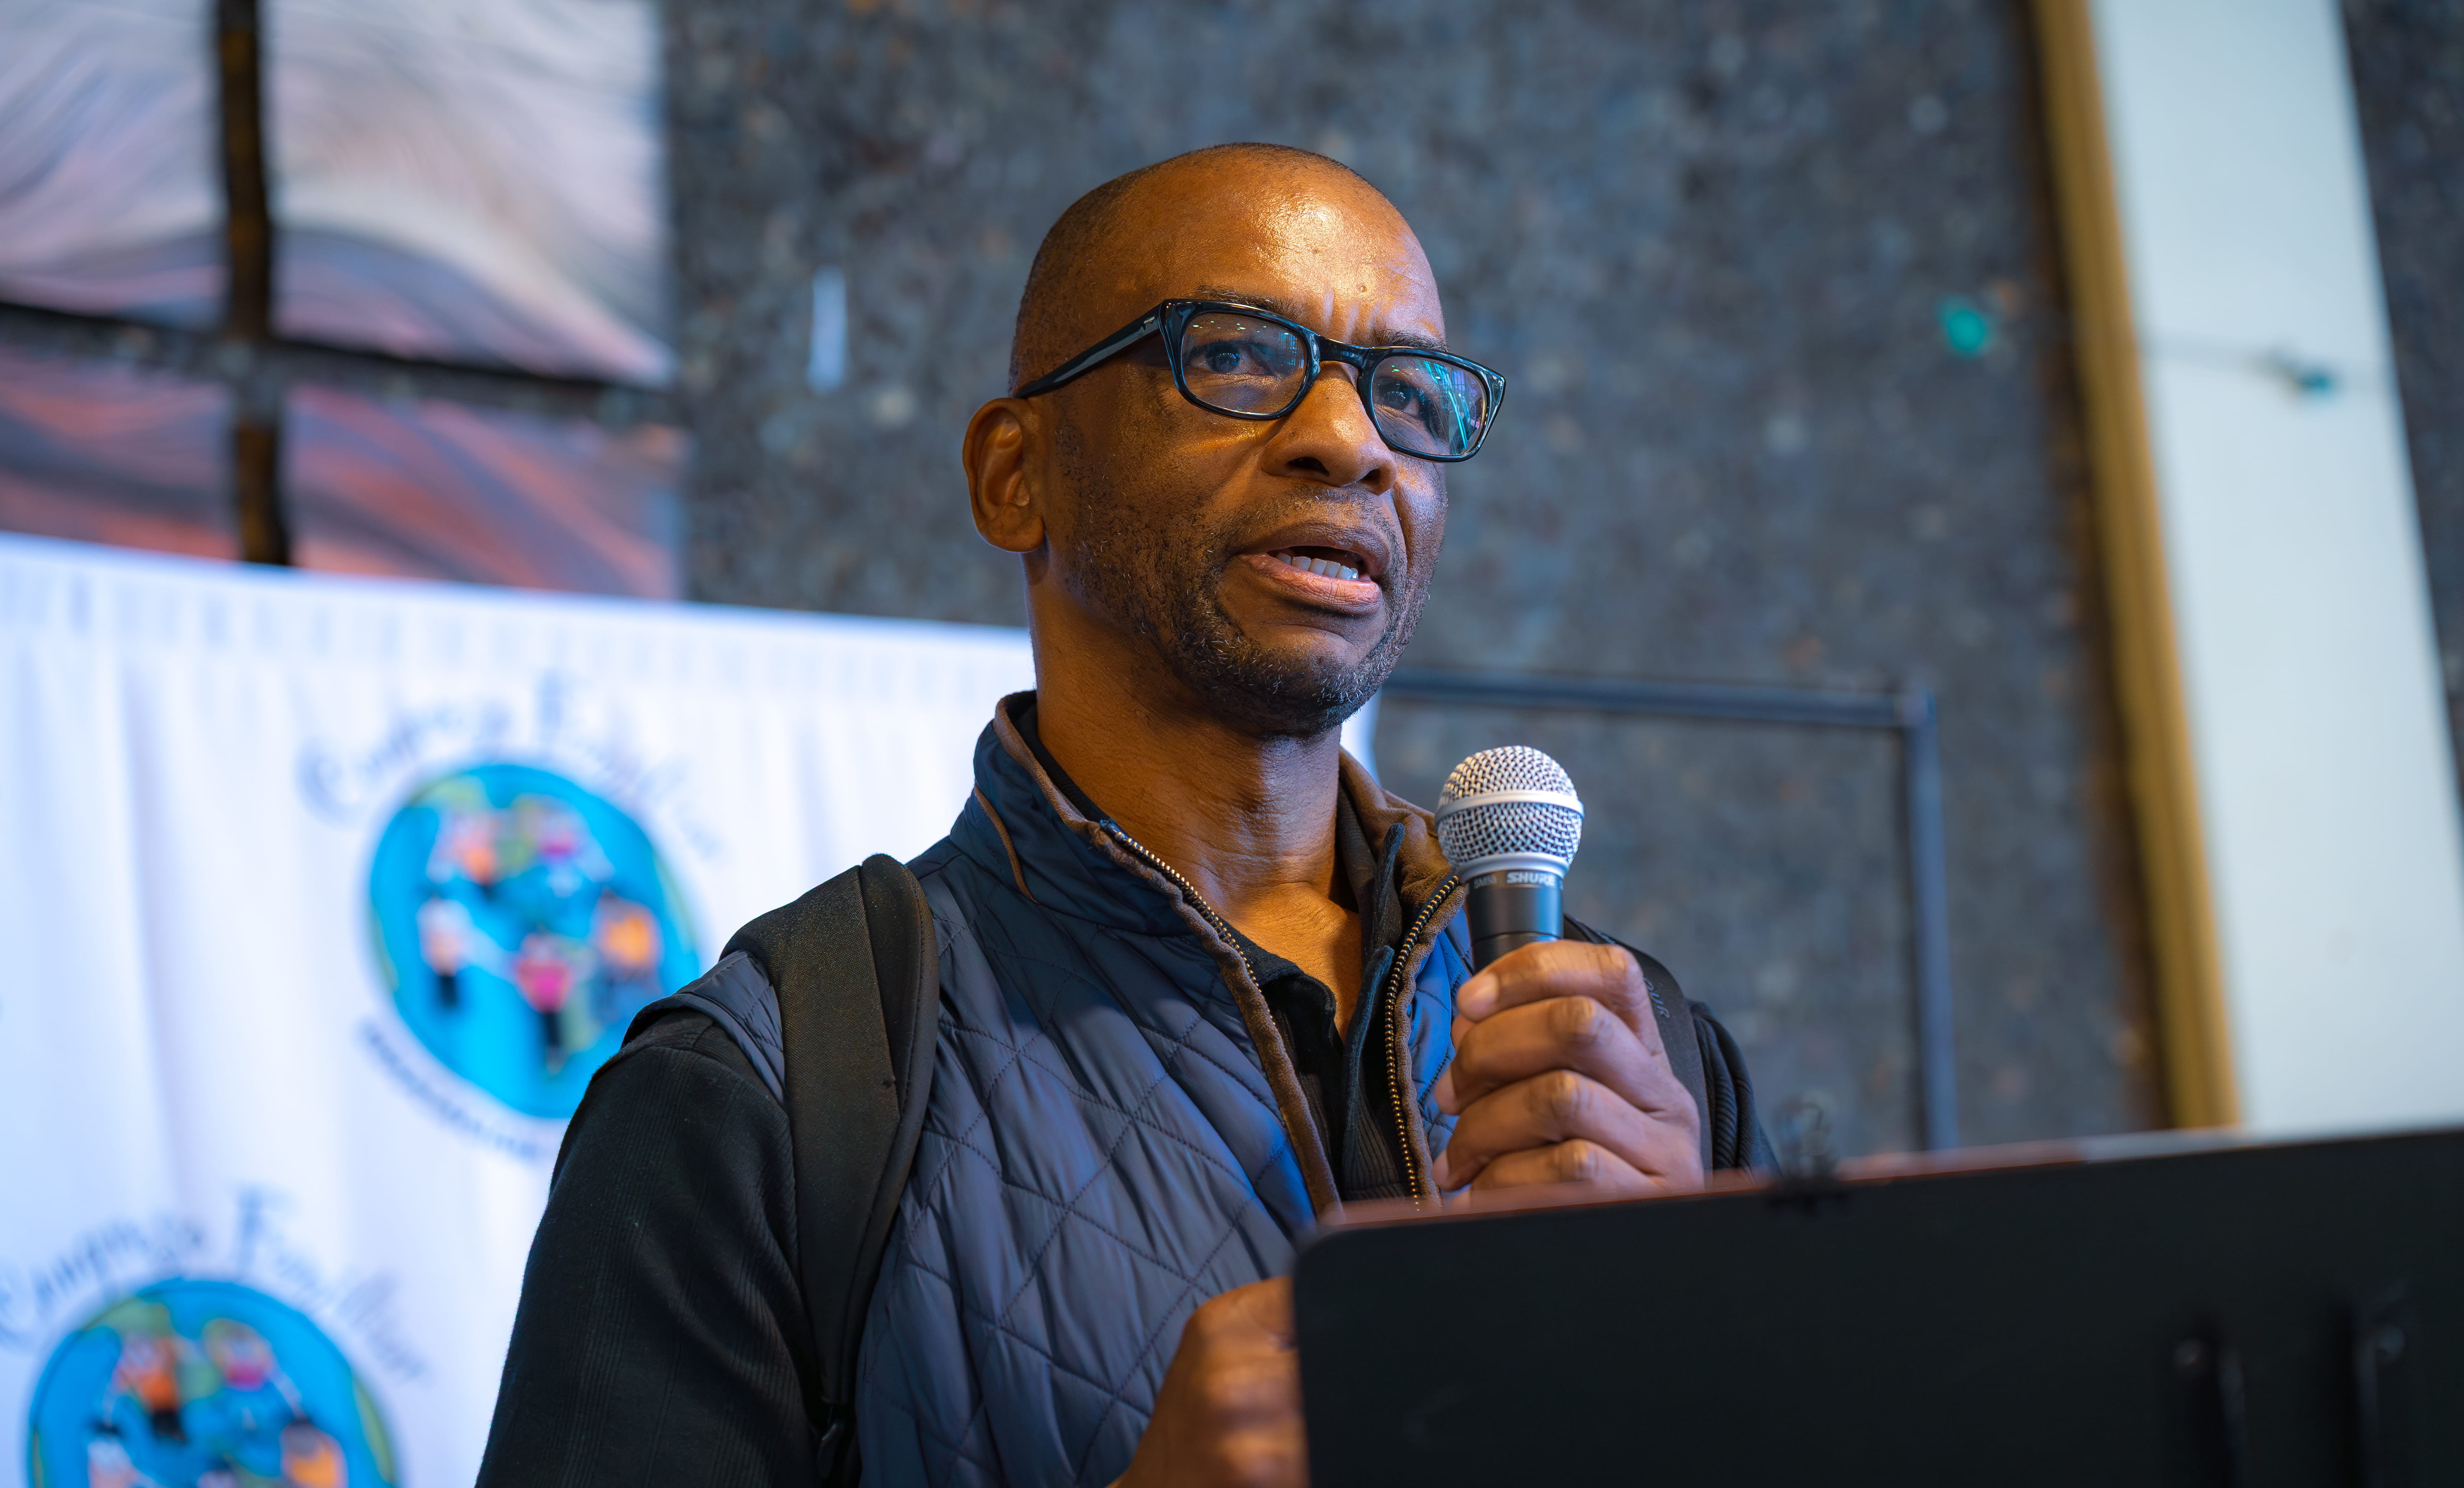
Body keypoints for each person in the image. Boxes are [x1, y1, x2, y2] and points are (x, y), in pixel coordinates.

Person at [475, 142, 1761, 1488]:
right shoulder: (771, 1089)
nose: (1351, 440)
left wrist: (1708, 1336)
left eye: (1408, 391)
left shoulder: (1643, 1052)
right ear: (1014, 475)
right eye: (1243, 356)